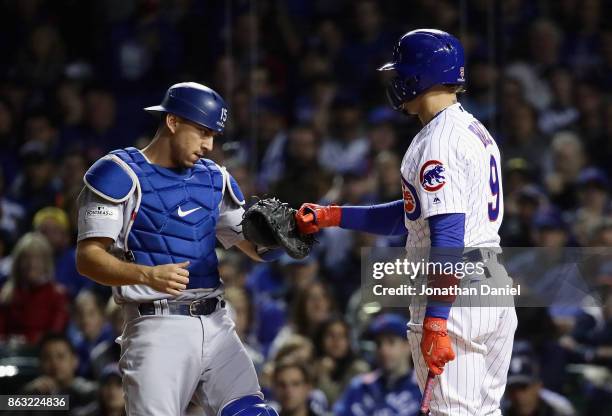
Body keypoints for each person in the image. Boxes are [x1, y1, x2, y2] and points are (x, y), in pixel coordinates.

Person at [296, 29, 517, 414]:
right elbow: (415, 215)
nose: (396, 81)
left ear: (421, 74)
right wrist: (334, 216)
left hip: (457, 295)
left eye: (401, 72)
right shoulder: (473, 129)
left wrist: (436, 319)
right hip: (492, 286)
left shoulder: (438, 141)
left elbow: (447, 233)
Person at [75, 82, 281, 416]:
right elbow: (88, 258)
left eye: (213, 135)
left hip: (217, 322)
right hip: (156, 328)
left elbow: (254, 247)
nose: (209, 145)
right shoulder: (119, 174)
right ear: (172, 122)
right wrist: (146, 274)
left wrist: (284, 237)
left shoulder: (215, 179)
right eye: (202, 132)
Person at [333, 313, 421, 416]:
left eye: (391, 342)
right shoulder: (360, 387)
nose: (383, 350)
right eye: (379, 344)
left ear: (408, 346)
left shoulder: (423, 390)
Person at [0, 232, 69, 344]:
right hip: (10, 355)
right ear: (18, 262)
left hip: (43, 355)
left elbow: (55, 334)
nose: (32, 264)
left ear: (46, 262)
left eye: (38, 258)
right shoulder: (6, 295)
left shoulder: (57, 295)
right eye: (26, 258)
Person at [22, 333, 97, 415]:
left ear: (75, 361)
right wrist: (27, 393)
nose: (54, 363)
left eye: (60, 356)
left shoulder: (90, 392)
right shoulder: (33, 392)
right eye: (47, 358)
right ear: (40, 363)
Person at [502, 354, 576, 416]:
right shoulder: (498, 409)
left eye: (523, 387)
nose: (518, 395)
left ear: (538, 386)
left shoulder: (560, 408)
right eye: (512, 388)